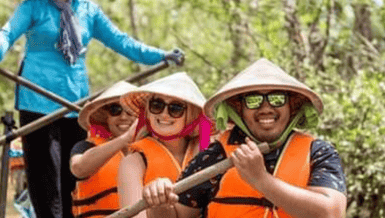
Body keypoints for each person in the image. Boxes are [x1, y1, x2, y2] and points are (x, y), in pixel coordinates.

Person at [0, 0, 184, 218]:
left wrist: (162, 56)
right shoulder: (32, 8)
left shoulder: (89, 11)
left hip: (76, 105)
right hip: (37, 104)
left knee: (72, 181)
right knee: (45, 182)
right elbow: (7, 33)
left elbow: (122, 42)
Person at [141, 58, 347, 218]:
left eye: (277, 98)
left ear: (292, 106)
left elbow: (331, 213)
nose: (266, 108)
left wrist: (261, 180)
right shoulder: (215, 156)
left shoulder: (318, 152)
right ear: (238, 109)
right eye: (253, 100)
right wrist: (161, 205)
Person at [117, 72, 213, 218]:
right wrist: (159, 207)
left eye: (175, 108)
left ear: (192, 115)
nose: (164, 114)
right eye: (157, 105)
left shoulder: (210, 151)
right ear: (147, 111)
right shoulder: (133, 162)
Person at [70, 81, 144, 218]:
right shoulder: (85, 146)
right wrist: (125, 139)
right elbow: (78, 168)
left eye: (130, 110)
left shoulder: (154, 148)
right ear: (106, 117)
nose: (123, 117)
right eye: (115, 110)